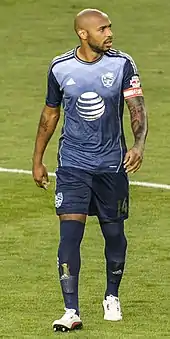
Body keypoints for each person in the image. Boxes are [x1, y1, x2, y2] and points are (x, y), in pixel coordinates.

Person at [32, 8, 148, 332]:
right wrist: (37, 159)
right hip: (72, 165)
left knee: (114, 235)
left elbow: (136, 109)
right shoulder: (60, 68)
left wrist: (137, 145)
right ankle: (71, 310)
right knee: (70, 235)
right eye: (102, 29)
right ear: (83, 34)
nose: (109, 33)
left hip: (112, 165)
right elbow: (50, 115)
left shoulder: (123, 65)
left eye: (110, 27)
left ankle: (112, 295)